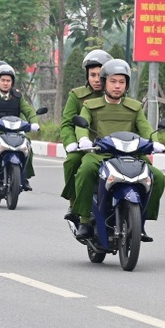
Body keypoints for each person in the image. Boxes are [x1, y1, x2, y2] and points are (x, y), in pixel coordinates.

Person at [71, 58, 165, 240]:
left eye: (121, 82)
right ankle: (84, 219)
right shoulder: (90, 106)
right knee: (85, 170)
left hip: (131, 155)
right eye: (113, 81)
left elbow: (145, 127)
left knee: (158, 177)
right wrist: (83, 138)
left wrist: (154, 141)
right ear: (105, 82)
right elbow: (81, 125)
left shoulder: (134, 107)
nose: (117, 86)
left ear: (127, 84)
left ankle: (142, 220)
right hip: (101, 155)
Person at [59, 49, 111, 221]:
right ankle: (75, 203)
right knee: (73, 161)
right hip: (84, 147)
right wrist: (72, 143)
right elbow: (67, 124)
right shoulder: (77, 96)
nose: (96, 79)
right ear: (87, 76)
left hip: (111, 146)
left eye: (100, 75)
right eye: (92, 75)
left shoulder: (116, 94)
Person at [0, 64, 38, 191]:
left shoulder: (18, 97)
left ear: (12, 82)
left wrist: (34, 122)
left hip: (14, 130)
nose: (5, 83)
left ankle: (24, 176)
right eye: (3, 80)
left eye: (8, 80)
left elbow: (29, 111)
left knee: (27, 144)